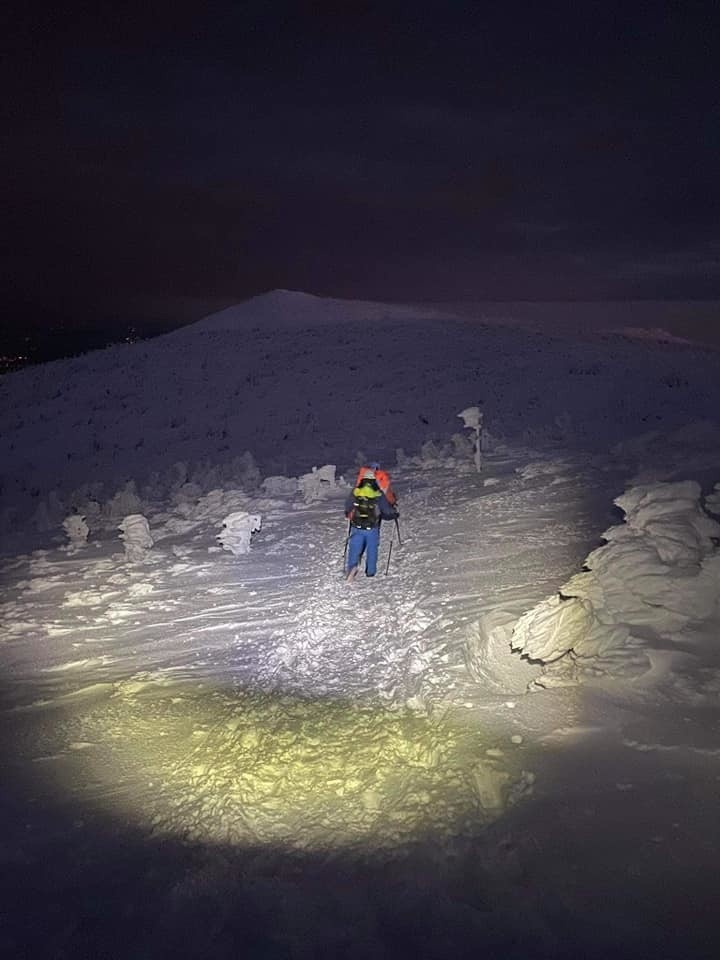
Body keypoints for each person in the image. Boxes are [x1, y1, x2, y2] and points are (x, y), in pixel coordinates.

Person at [344, 468, 398, 580]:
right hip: (372, 527)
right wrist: (394, 513)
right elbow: (386, 511)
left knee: (354, 548)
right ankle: (370, 571)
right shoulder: (378, 494)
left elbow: (348, 507)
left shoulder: (356, 492)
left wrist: (349, 513)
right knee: (372, 548)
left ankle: (351, 568)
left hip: (356, 526)